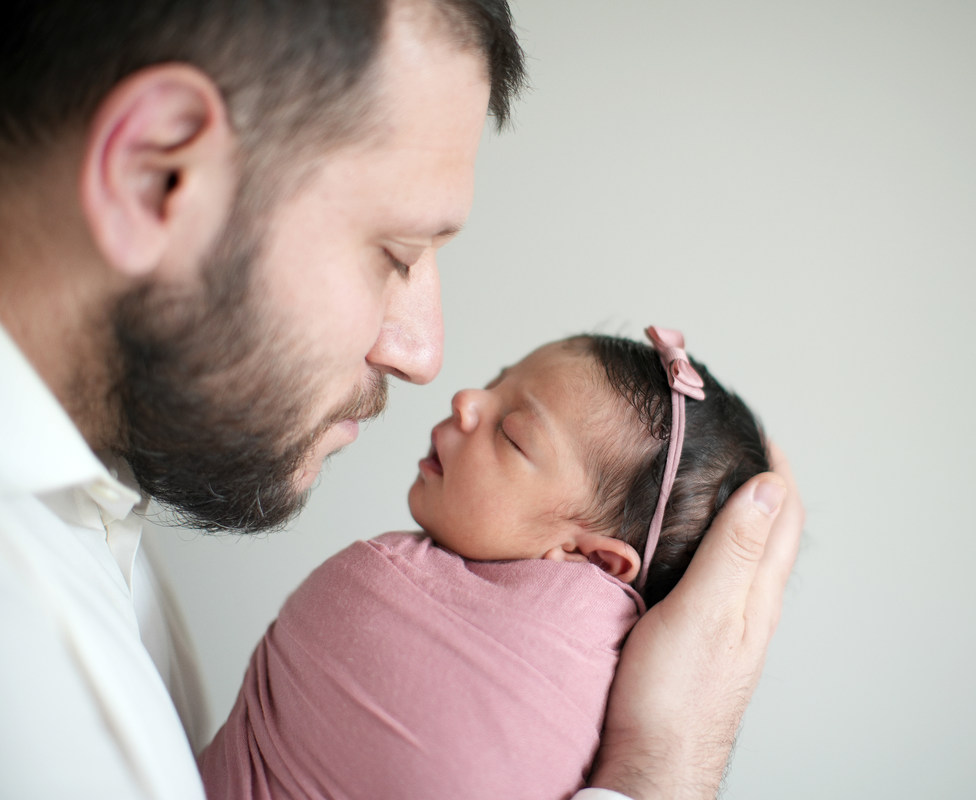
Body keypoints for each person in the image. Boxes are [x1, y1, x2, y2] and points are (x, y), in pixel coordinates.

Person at [0, 1, 803, 798]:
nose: (423, 357)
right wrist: (659, 773)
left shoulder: (92, 520)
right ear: (153, 175)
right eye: (397, 252)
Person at [200, 328, 769, 799]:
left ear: (590, 557)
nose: (466, 399)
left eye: (513, 435)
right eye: (496, 384)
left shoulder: (390, 579)